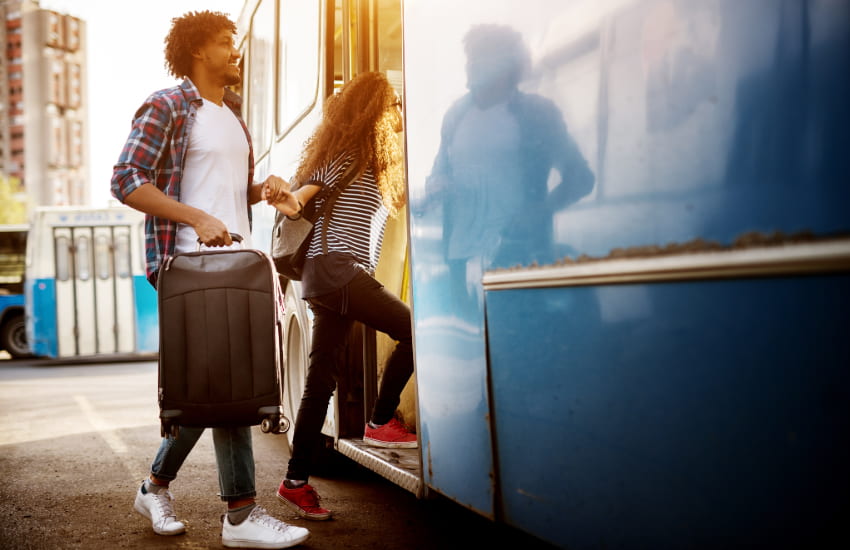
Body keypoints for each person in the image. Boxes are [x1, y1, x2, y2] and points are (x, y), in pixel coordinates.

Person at [110, 10, 309, 549]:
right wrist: (195, 217)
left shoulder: (232, 117)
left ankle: (155, 485)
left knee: (216, 384)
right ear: (200, 51)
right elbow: (126, 179)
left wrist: (262, 188)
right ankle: (240, 515)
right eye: (226, 42)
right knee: (229, 382)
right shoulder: (169, 105)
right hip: (188, 264)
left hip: (237, 264)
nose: (235, 51)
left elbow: (225, 188)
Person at [262, 71, 413, 521]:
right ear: (373, 111)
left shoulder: (378, 160)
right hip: (336, 270)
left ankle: (295, 482)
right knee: (413, 330)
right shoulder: (347, 154)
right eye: (392, 106)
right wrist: (283, 196)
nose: (399, 112)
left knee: (319, 383)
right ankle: (380, 421)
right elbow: (299, 201)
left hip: (330, 277)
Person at [424, 24, 594, 317]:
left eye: (479, 57)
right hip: (459, 259)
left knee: (517, 346)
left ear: (505, 65)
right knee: (466, 359)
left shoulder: (537, 113)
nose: (471, 65)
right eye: (470, 57)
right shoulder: (456, 115)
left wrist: (539, 211)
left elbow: (581, 177)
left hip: (516, 255)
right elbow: (437, 173)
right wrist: (437, 185)